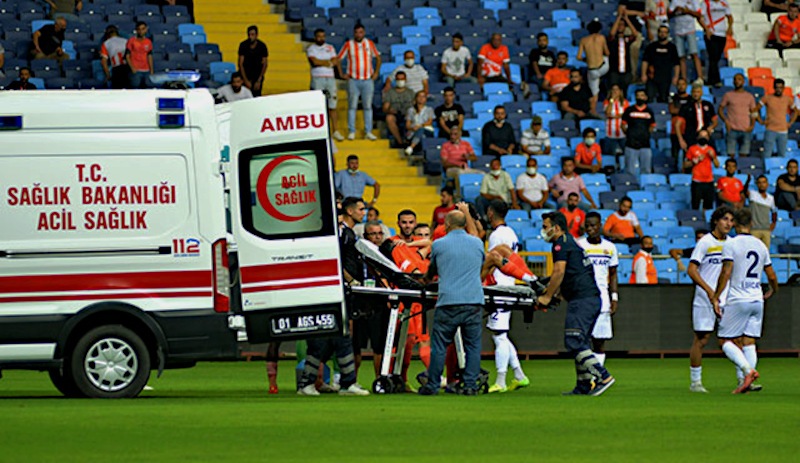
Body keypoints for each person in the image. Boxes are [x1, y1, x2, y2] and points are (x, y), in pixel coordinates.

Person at [537, 211, 616, 396]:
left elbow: (559, 272)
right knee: (580, 341)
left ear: (556, 228)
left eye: (545, 227)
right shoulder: (570, 242)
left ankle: (603, 376)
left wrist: (546, 296)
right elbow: (570, 275)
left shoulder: (560, 244)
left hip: (583, 301)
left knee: (573, 341)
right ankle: (583, 385)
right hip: (589, 299)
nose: (543, 231)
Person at [297, 197, 370, 396]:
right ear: (349, 210)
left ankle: (308, 382)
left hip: (337, 290)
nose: (364, 213)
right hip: (336, 290)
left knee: (324, 339)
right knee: (341, 335)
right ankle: (347, 383)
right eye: (361, 209)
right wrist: (350, 280)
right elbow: (335, 260)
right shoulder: (341, 233)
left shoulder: (347, 233)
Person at [711, 208, 779, 393]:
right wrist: (774, 289)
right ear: (751, 224)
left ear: (734, 224)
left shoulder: (731, 245)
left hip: (738, 298)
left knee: (725, 341)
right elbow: (771, 274)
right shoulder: (760, 245)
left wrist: (716, 296)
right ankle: (746, 381)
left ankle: (748, 371)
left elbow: (726, 272)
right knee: (749, 341)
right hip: (757, 299)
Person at [419, 210, 485, 396]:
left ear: (447, 224)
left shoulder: (439, 245)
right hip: (473, 301)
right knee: (472, 346)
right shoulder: (477, 243)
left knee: (440, 346)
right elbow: (480, 264)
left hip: (448, 301)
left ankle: (432, 386)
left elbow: (432, 270)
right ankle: (470, 386)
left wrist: (425, 279)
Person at [483, 200, 530, 393]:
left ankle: (501, 381)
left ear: (491, 213)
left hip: (500, 287)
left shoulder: (497, 235)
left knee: (499, 335)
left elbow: (494, 261)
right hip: (509, 285)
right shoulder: (510, 232)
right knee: (501, 334)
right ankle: (519, 375)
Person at [686, 206, 734, 393]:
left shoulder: (732, 243)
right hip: (705, 298)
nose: (728, 224)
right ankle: (695, 382)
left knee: (734, 339)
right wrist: (709, 292)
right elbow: (691, 270)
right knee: (702, 339)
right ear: (716, 221)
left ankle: (743, 379)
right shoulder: (705, 242)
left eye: (731, 220)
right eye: (725, 219)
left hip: (727, 297)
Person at [576, 212, 620, 367]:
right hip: (583, 298)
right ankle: (587, 375)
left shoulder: (609, 247)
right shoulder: (580, 245)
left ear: (600, 225)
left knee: (599, 341)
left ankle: (598, 375)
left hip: (602, 298)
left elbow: (613, 275)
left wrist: (614, 297)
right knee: (582, 340)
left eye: (593, 225)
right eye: (587, 226)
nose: (590, 229)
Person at [337, 24, 381, 141]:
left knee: (367, 106)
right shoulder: (348, 44)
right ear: (353, 33)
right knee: (352, 106)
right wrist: (341, 74)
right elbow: (338, 59)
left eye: (361, 32)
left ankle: (368, 131)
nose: (358, 35)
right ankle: (352, 131)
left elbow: (378, 57)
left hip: (367, 79)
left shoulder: (369, 43)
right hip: (353, 80)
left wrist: (376, 72)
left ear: (364, 32)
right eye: (356, 32)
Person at [307, 29, 343, 141]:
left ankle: (335, 130)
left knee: (332, 105)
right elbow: (315, 62)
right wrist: (328, 63)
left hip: (330, 79)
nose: (321, 38)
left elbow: (335, 61)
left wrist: (324, 62)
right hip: (318, 79)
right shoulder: (311, 48)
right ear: (315, 37)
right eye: (319, 36)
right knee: (318, 106)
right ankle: (319, 131)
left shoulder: (330, 47)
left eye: (323, 36)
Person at [757, 79, 798, 159]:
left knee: (782, 154)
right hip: (770, 130)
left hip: (783, 131)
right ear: (773, 88)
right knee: (767, 154)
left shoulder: (788, 99)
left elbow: (796, 111)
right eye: (777, 87)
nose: (779, 89)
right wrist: (760, 121)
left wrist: (790, 122)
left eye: (780, 87)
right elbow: (756, 109)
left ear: (783, 88)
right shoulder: (767, 98)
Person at [718, 73, 757, 158]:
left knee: (744, 155)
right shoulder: (728, 95)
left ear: (743, 82)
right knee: (730, 155)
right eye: (735, 79)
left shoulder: (749, 96)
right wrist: (726, 121)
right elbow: (720, 109)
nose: (737, 81)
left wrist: (752, 125)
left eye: (739, 79)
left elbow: (754, 112)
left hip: (746, 129)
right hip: (732, 129)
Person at [577, 20, 610, 113]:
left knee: (594, 93)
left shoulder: (583, 40)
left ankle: (593, 110)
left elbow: (578, 57)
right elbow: (607, 52)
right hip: (603, 67)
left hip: (592, 70)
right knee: (606, 58)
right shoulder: (601, 38)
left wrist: (587, 59)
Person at [641, 25, 680, 103]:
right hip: (652, 78)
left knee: (664, 99)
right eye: (661, 32)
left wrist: (676, 76)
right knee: (649, 98)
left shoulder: (672, 47)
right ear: (658, 33)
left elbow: (676, 64)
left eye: (665, 32)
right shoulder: (651, 46)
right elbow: (645, 61)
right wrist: (643, 74)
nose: (662, 34)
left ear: (668, 34)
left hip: (666, 78)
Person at [622, 89, 656, 176]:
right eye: (638, 95)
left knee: (646, 170)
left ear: (645, 97)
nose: (640, 97)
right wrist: (630, 134)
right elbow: (623, 125)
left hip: (645, 144)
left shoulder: (649, 111)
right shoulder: (629, 110)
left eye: (642, 95)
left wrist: (645, 134)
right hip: (631, 144)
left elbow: (652, 126)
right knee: (630, 171)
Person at [675, 83, 718, 151]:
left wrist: (711, 127)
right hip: (691, 136)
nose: (696, 94)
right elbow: (677, 125)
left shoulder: (708, 105)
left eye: (698, 92)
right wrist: (681, 140)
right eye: (694, 92)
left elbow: (715, 121)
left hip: (705, 134)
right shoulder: (686, 106)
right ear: (691, 93)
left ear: (701, 93)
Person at [684, 129, 720, 211]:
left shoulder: (711, 149)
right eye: (701, 136)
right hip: (697, 181)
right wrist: (695, 160)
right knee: (695, 205)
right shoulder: (692, 149)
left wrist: (713, 157)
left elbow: (717, 165)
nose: (703, 138)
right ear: (697, 137)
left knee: (708, 206)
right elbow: (685, 165)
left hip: (709, 181)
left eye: (705, 136)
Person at [700, 0, 733, 87]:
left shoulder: (724, 3)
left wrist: (730, 27)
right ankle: (715, 80)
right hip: (711, 33)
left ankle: (711, 79)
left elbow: (730, 17)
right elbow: (700, 18)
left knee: (717, 57)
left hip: (722, 34)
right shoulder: (705, 3)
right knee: (713, 57)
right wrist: (706, 29)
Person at [669, 0, 704, 81]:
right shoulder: (675, 1)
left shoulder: (693, 1)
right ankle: (684, 78)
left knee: (694, 54)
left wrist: (688, 11)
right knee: (681, 56)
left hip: (690, 30)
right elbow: (669, 14)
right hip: (677, 31)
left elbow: (699, 14)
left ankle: (700, 77)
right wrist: (675, 11)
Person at [440, 127, 482, 191]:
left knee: (482, 174)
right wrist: (457, 165)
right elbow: (444, 163)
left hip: (465, 168)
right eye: (451, 134)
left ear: (460, 135)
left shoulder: (466, 144)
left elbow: (474, 158)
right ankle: (459, 195)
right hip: (450, 169)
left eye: (455, 134)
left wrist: (467, 157)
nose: (452, 136)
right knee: (460, 172)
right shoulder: (445, 145)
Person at [607, 12, 640, 94]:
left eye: (622, 25)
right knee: (613, 92)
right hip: (614, 71)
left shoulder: (627, 40)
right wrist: (618, 18)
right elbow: (611, 34)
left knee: (624, 92)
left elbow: (635, 34)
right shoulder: (612, 40)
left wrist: (626, 19)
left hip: (626, 71)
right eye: (619, 25)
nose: (620, 26)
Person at [382, 71, 415, 147]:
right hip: (395, 114)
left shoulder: (411, 92)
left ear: (405, 80)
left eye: (402, 79)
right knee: (389, 118)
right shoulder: (390, 93)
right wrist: (389, 110)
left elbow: (415, 105)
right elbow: (385, 108)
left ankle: (409, 141)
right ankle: (400, 142)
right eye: (398, 79)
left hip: (408, 114)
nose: (400, 81)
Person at [237, 25, 269, 97]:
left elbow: (265, 63)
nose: (250, 37)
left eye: (252, 35)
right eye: (249, 35)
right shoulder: (243, 45)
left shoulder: (262, 46)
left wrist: (259, 80)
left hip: (257, 75)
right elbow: (240, 64)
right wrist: (245, 80)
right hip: (246, 74)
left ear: (257, 35)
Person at [748, 175, 778, 248]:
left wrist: (773, 223)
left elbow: (774, 211)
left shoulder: (771, 198)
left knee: (765, 252)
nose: (762, 184)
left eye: (764, 182)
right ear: (757, 184)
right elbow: (745, 191)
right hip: (754, 229)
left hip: (766, 229)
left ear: (767, 184)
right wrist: (747, 181)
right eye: (759, 183)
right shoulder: (753, 194)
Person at [604, 84, 630, 162]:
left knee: (626, 155)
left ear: (620, 91)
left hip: (623, 133)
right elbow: (607, 113)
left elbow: (626, 115)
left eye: (617, 89)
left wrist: (614, 116)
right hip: (610, 133)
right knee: (610, 156)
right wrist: (612, 100)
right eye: (613, 89)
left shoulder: (625, 102)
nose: (615, 91)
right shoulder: (607, 102)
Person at [404, 90, 435, 156]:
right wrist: (412, 128)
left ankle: (411, 147)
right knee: (420, 135)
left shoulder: (429, 109)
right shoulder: (411, 110)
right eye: (419, 96)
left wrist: (420, 126)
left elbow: (430, 122)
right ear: (416, 98)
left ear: (426, 99)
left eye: (423, 96)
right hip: (414, 131)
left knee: (421, 130)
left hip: (427, 130)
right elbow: (407, 125)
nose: (421, 98)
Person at [126, 22, 154, 89]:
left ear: (146, 29)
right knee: (135, 88)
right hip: (136, 70)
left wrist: (151, 70)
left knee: (148, 88)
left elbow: (149, 56)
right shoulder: (131, 41)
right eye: (139, 29)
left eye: (143, 29)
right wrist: (132, 68)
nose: (141, 31)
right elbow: (127, 56)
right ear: (136, 30)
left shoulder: (148, 42)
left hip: (146, 70)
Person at [669, 77, 692, 160]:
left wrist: (680, 110)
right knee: (675, 155)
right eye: (679, 84)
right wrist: (686, 110)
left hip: (688, 130)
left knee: (687, 155)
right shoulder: (673, 98)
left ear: (686, 86)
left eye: (683, 84)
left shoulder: (691, 99)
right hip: (675, 131)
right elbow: (672, 110)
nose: (681, 86)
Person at [100, 25, 129, 89]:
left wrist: (108, 75)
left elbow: (103, 61)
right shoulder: (126, 41)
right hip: (128, 67)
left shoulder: (106, 44)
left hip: (117, 69)